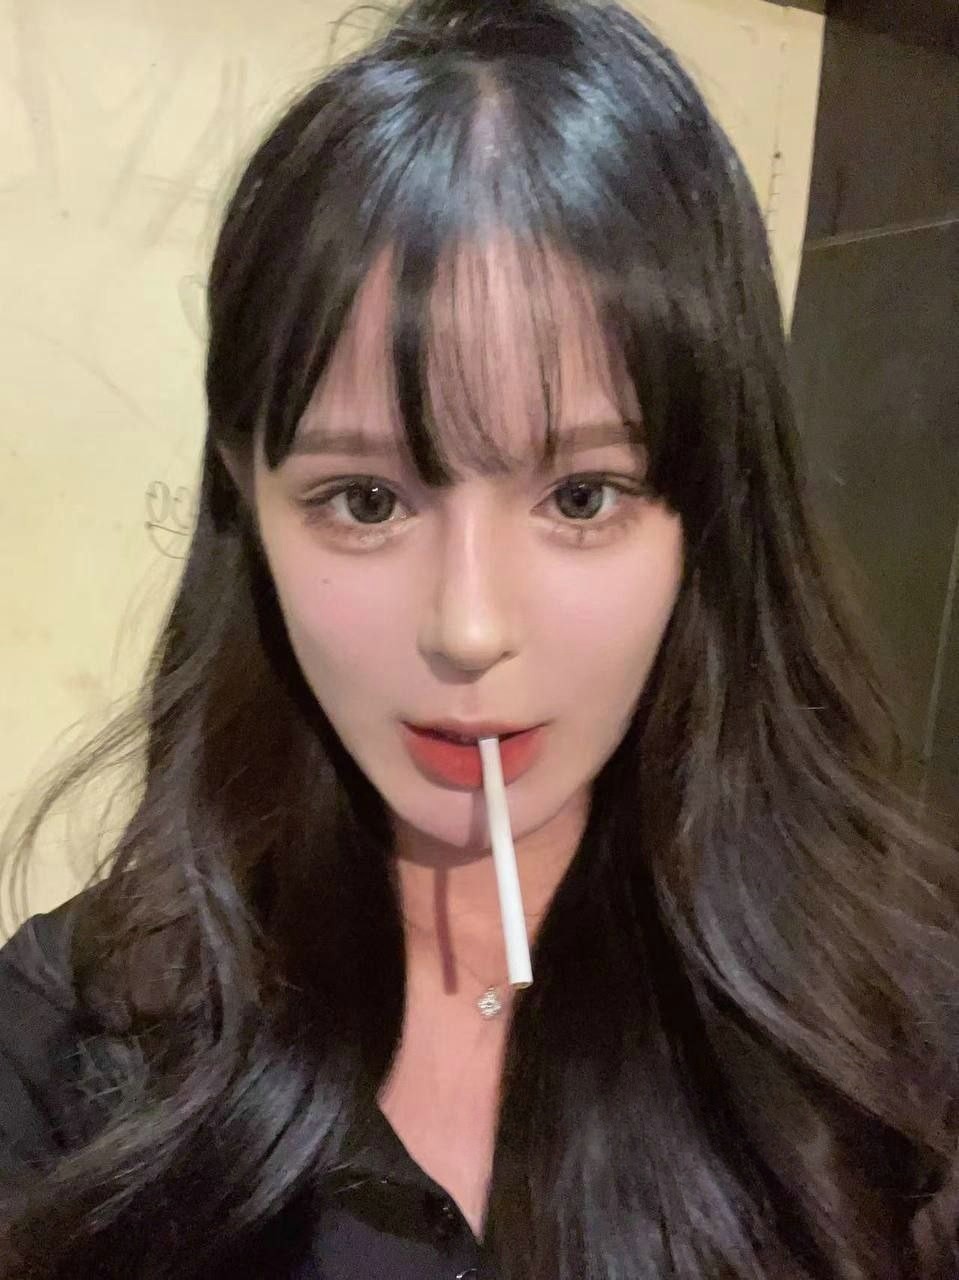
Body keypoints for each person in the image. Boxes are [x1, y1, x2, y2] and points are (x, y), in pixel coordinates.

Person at [2, 0, 958, 1276]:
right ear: (247, 493)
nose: (466, 628)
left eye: (581, 496)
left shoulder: (896, 1040)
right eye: (365, 500)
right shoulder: (72, 1044)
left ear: (705, 513)